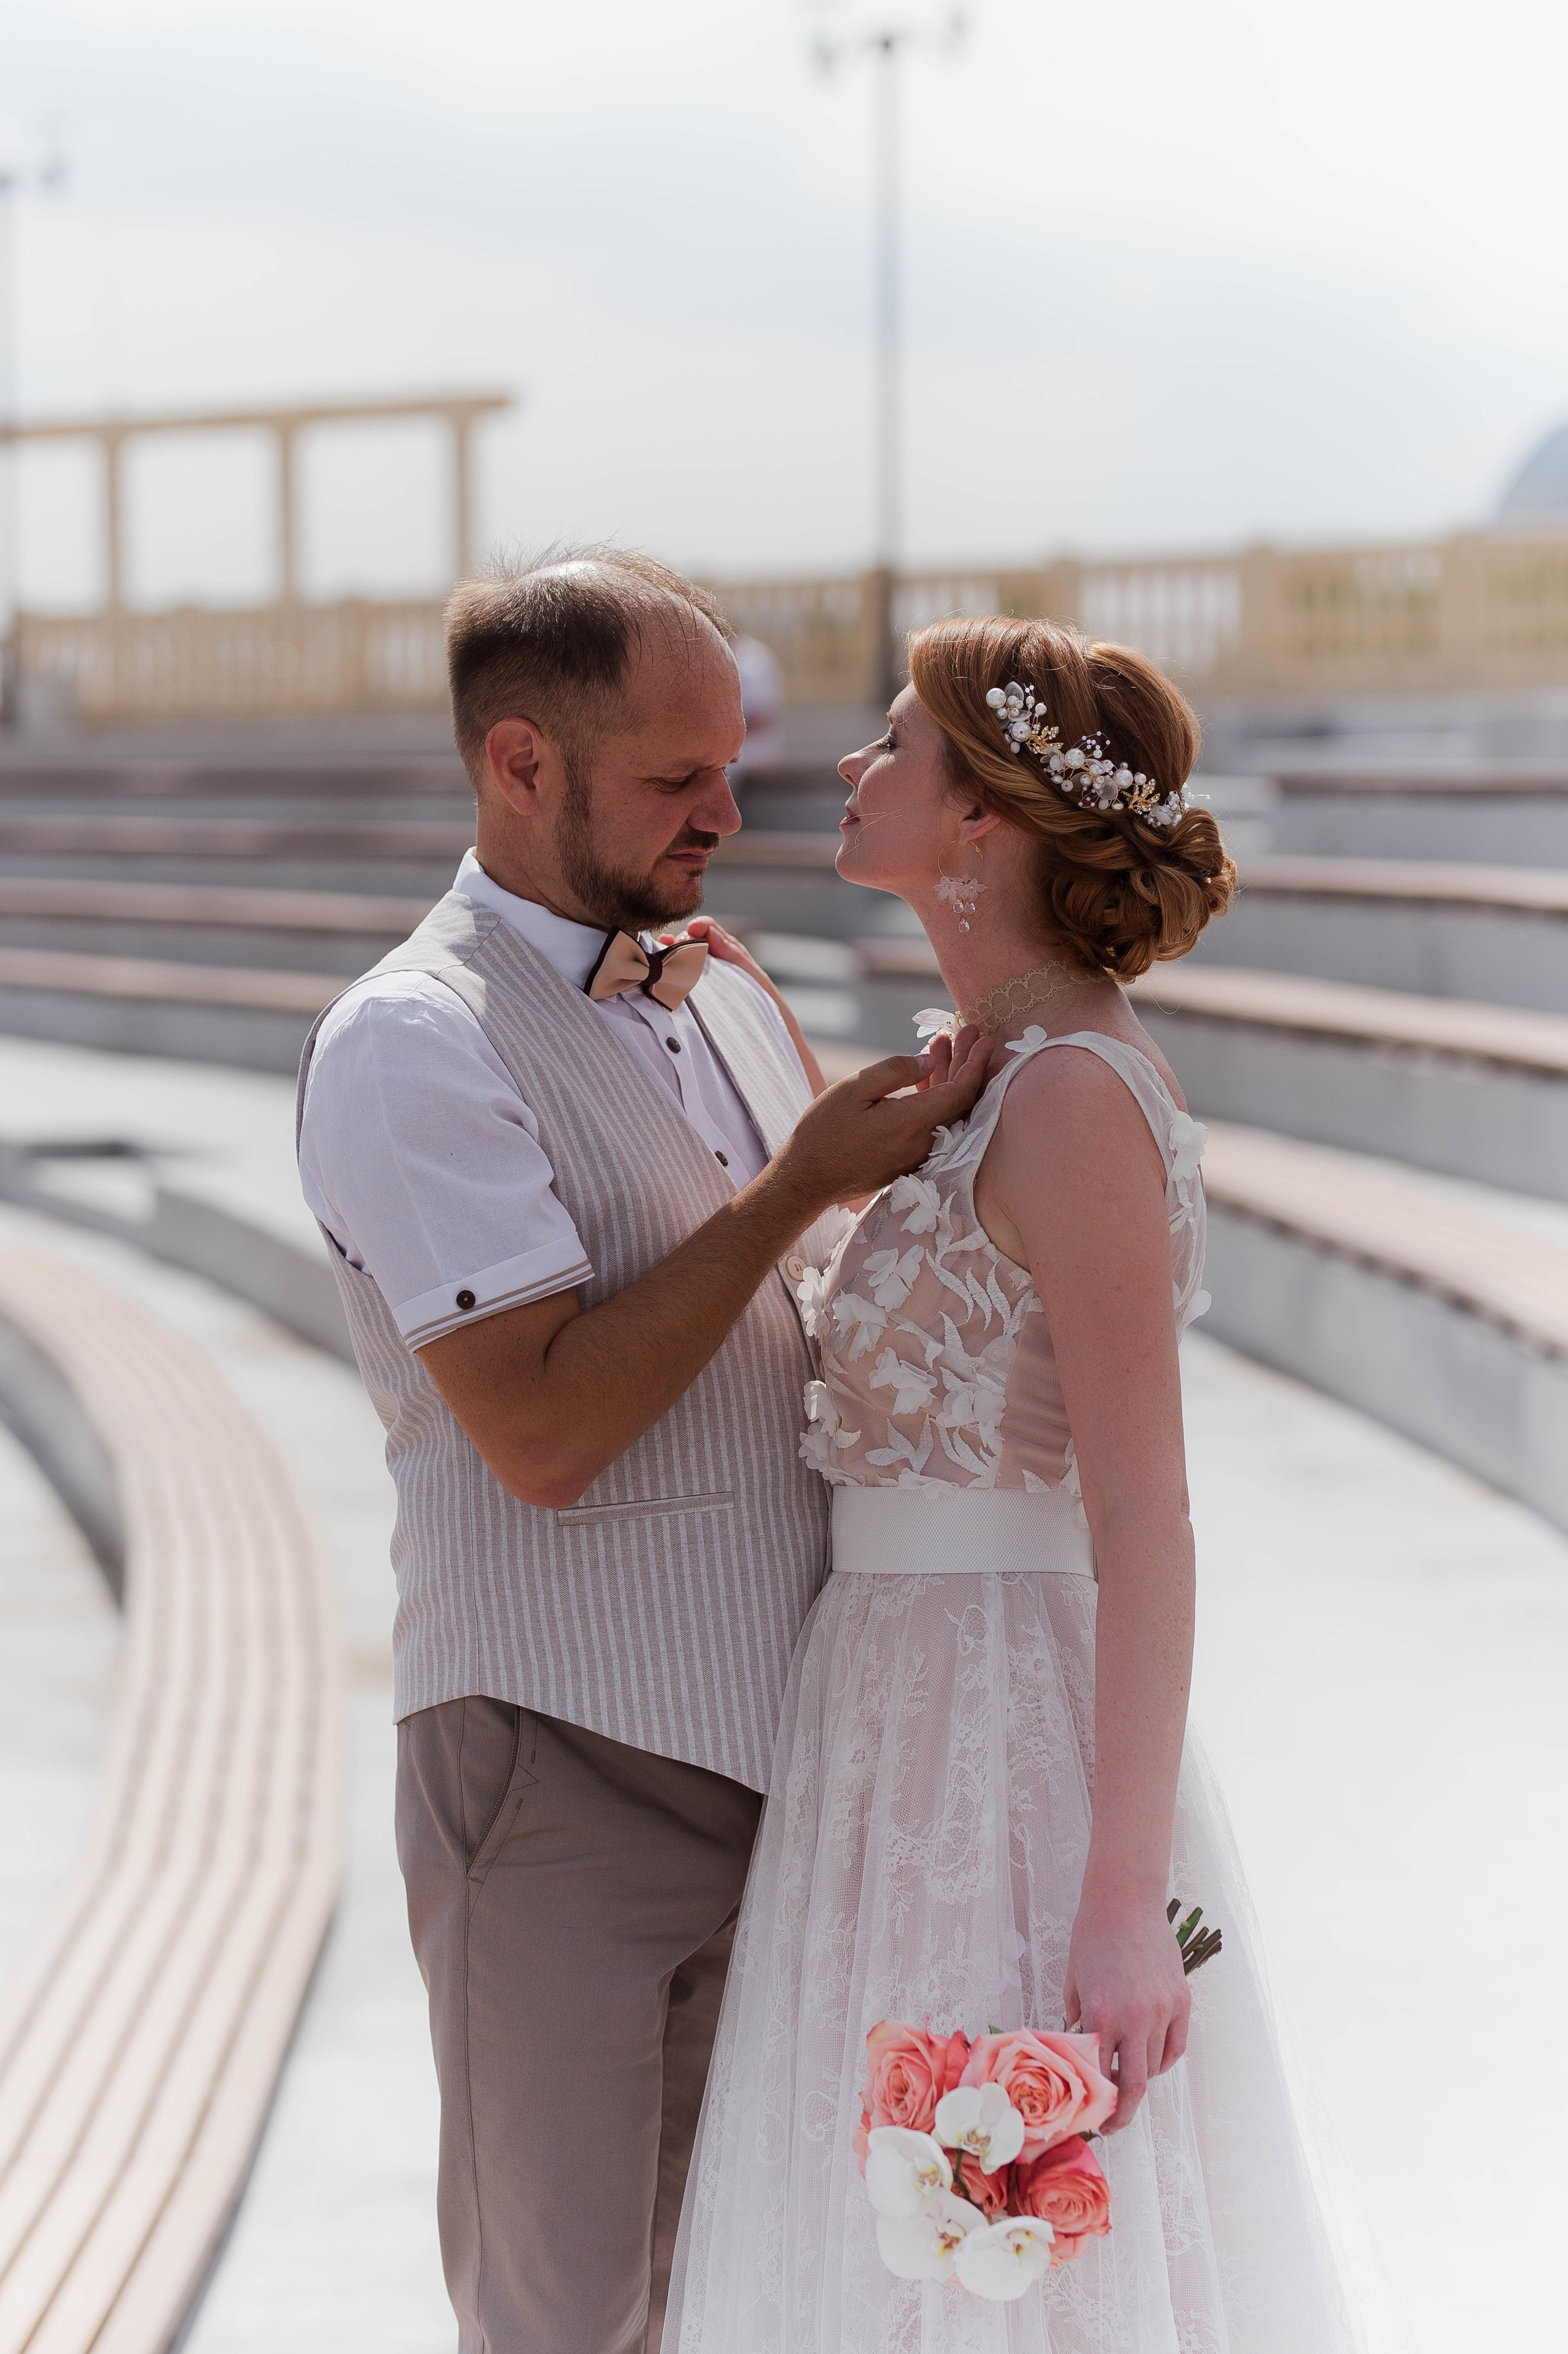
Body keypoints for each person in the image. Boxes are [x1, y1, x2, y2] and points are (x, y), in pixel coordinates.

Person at [294, 551, 992, 2354]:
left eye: (730, 757)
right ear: (522, 765)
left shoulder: (719, 989)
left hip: (793, 1762)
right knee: (568, 2319)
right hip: (559, 1775)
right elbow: (539, 1426)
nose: (728, 807)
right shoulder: (409, 1040)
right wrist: (795, 1191)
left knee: (746, 2301)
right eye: (675, 778)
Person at [666, 619, 1363, 2352]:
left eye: (892, 741)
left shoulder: (1070, 1102)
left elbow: (1146, 1511)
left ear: (983, 818)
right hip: (879, 1718)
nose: (848, 764)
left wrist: (1121, 1897)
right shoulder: (988, 1084)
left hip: (1002, 1728)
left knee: (1011, 2255)